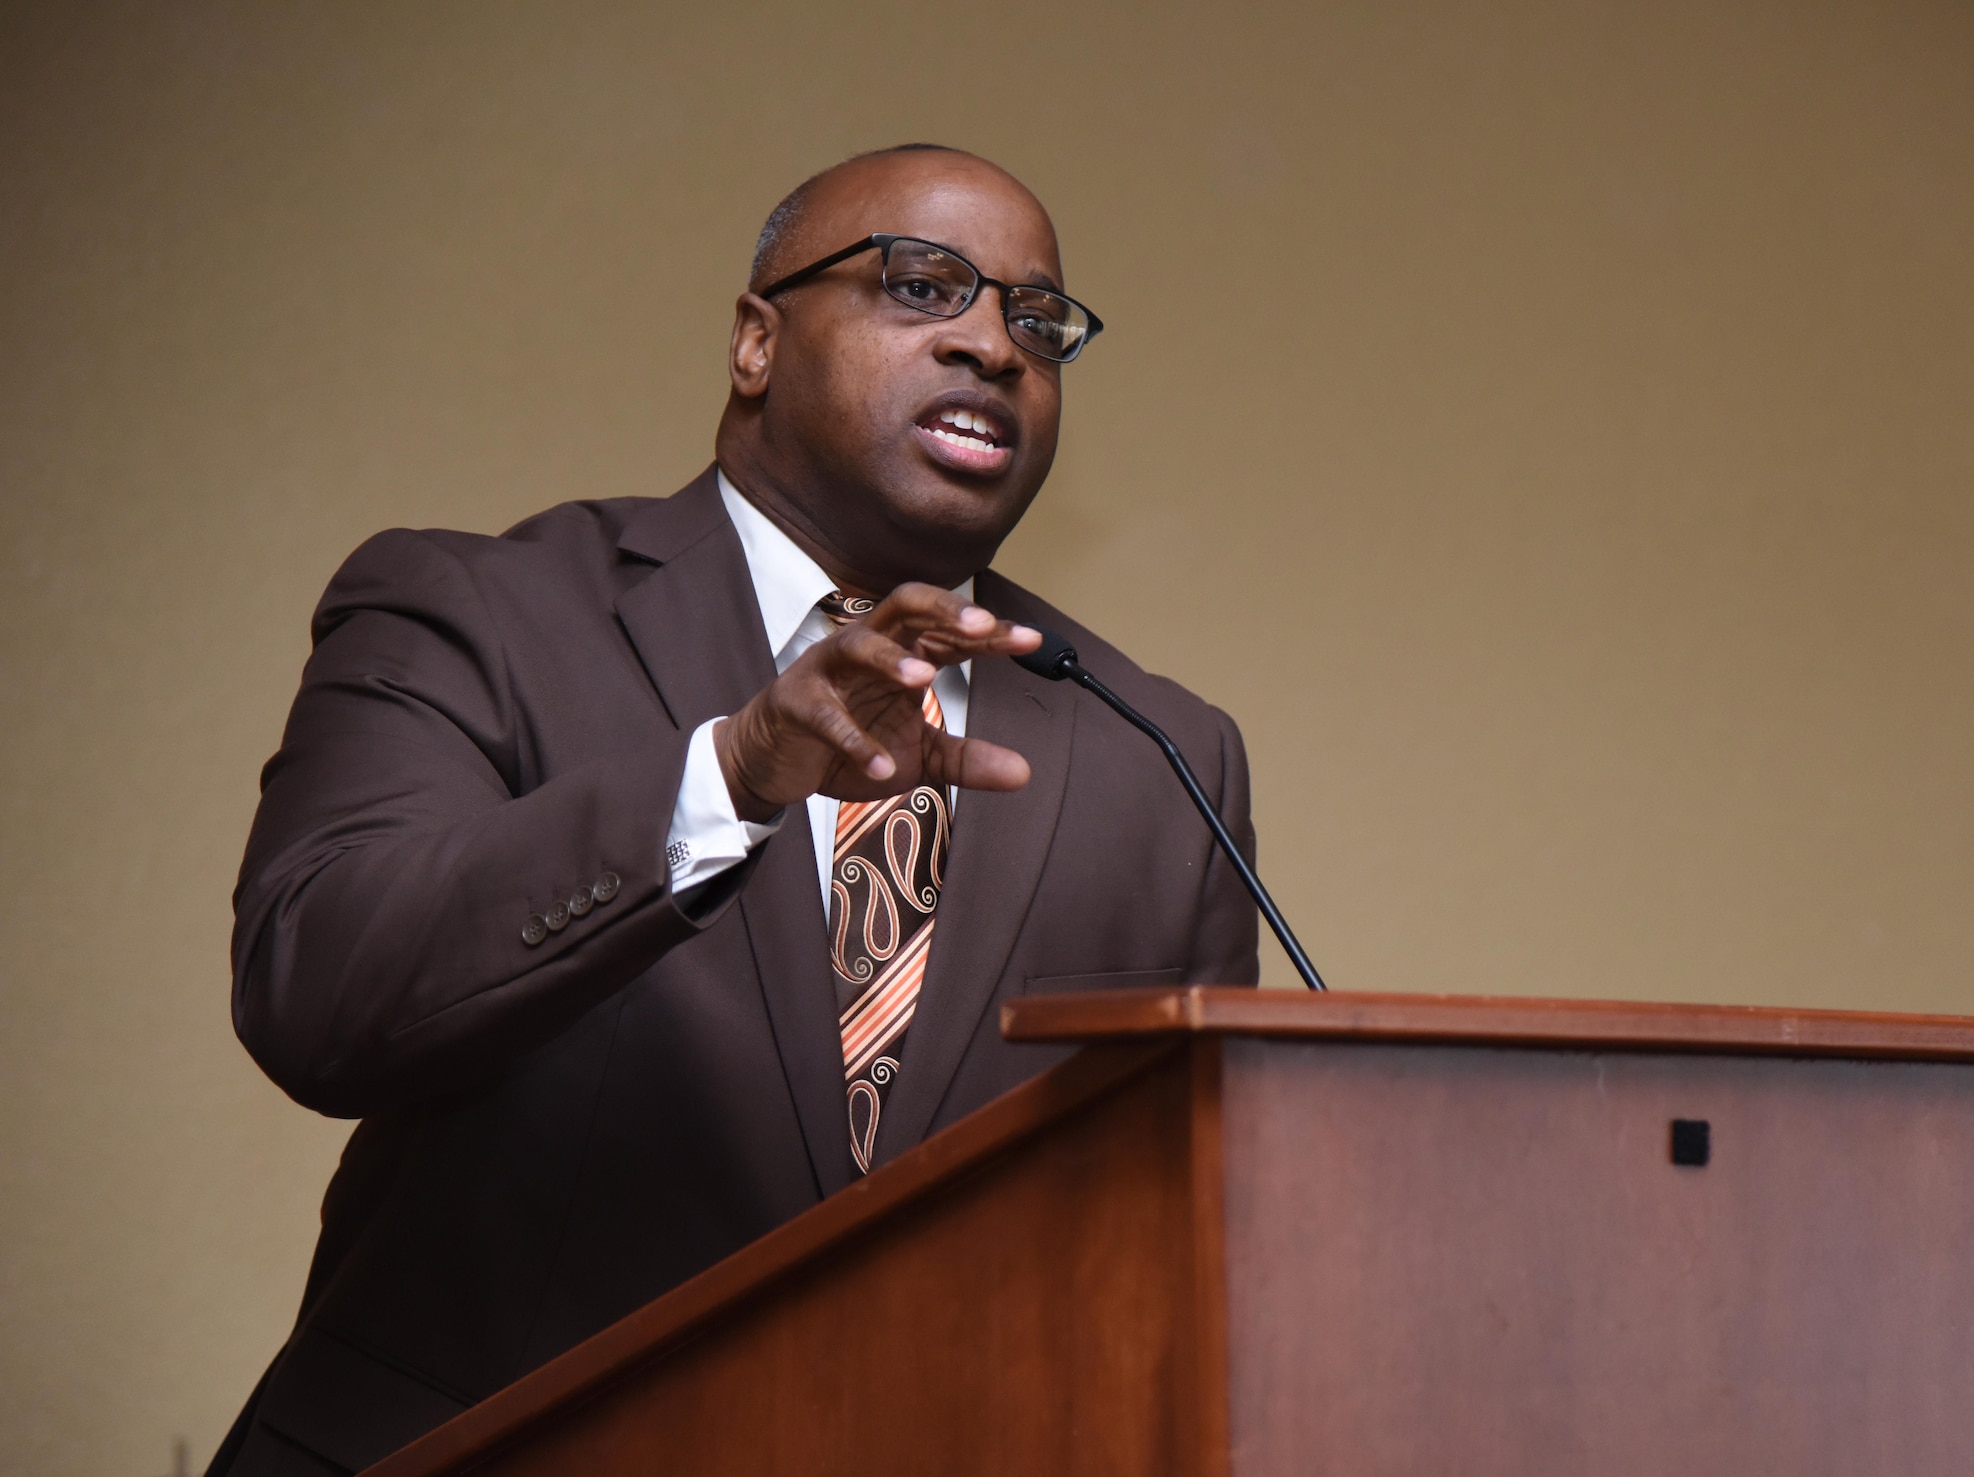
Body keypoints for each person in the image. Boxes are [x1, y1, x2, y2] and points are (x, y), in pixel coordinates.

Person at [210, 143, 1258, 1476]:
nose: (995, 343)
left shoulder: (1156, 753)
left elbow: (1180, 1245)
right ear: (757, 342)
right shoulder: (474, 613)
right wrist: (733, 774)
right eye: (925, 285)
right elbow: (321, 992)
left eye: (1035, 320)